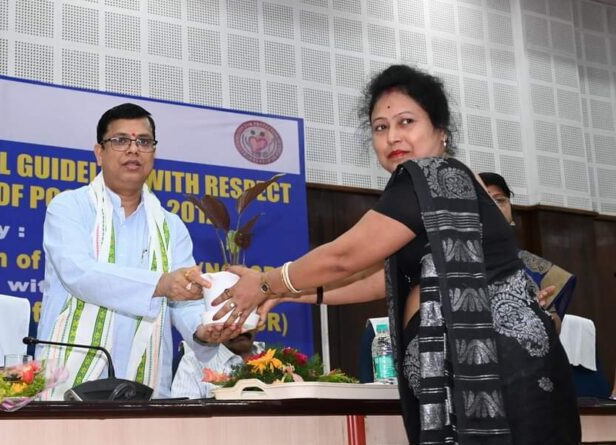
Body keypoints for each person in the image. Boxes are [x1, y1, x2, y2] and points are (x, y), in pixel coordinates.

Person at [211, 66, 581, 444]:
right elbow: (378, 281)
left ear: (441, 130)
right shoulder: (432, 191)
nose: (392, 137)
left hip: (500, 377)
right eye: (380, 127)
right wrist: (286, 293)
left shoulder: (434, 174)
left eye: (406, 121)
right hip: (469, 377)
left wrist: (265, 282)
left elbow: (345, 257)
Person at [37, 103, 228, 399]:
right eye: (120, 140)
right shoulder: (69, 207)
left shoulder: (171, 226)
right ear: (99, 152)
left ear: (153, 153)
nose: (133, 149)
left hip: (144, 389)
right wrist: (160, 284)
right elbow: (81, 275)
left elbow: (184, 301)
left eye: (144, 142)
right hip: (68, 382)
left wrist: (202, 331)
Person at [479, 171, 576, 333]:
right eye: (485, 201)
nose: (494, 207)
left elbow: (555, 324)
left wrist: (542, 316)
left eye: (500, 200)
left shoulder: (537, 268)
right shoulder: (458, 262)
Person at [171, 332, 263, 399]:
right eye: (233, 320)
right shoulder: (193, 362)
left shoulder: (270, 355)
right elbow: (185, 415)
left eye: (247, 319)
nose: (241, 329)